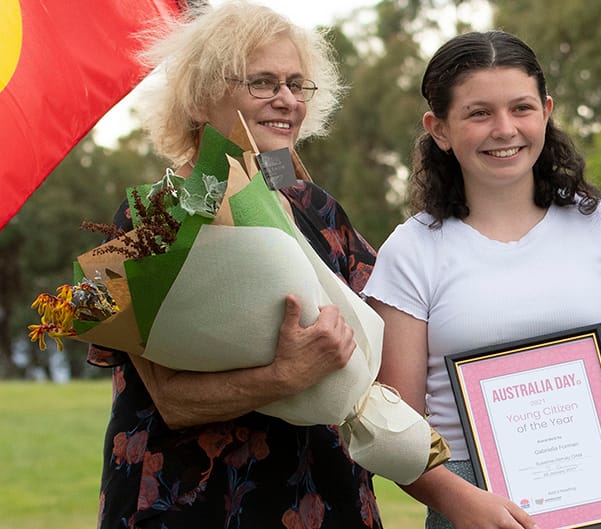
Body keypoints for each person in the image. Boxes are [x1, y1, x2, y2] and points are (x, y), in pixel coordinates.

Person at [361, 30, 601, 529]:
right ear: (439, 128)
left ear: (546, 110)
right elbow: (397, 424)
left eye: (521, 108)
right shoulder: (411, 251)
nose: (504, 128)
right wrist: (458, 500)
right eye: (478, 113)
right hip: (470, 505)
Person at [88, 2, 385, 527]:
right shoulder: (154, 216)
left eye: (297, 84)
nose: (287, 100)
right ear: (203, 95)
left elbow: (382, 333)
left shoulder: (319, 209)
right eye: (263, 82)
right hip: (188, 504)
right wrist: (285, 374)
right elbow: (172, 401)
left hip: (320, 494)